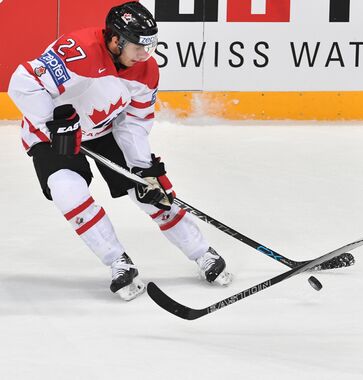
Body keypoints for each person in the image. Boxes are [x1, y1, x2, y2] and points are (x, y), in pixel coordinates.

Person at [7, 1, 232, 301]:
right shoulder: (79, 50)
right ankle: (117, 262)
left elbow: (135, 121)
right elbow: (21, 83)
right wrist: (56, 122)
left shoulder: (145, 70)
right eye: (138, 47)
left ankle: (202, 252)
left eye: (149, 46)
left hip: (102, 129)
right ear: (115, 40)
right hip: (52, 135)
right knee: (67, 191)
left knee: (151, 191)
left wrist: (142, 167)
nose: (145, 54)